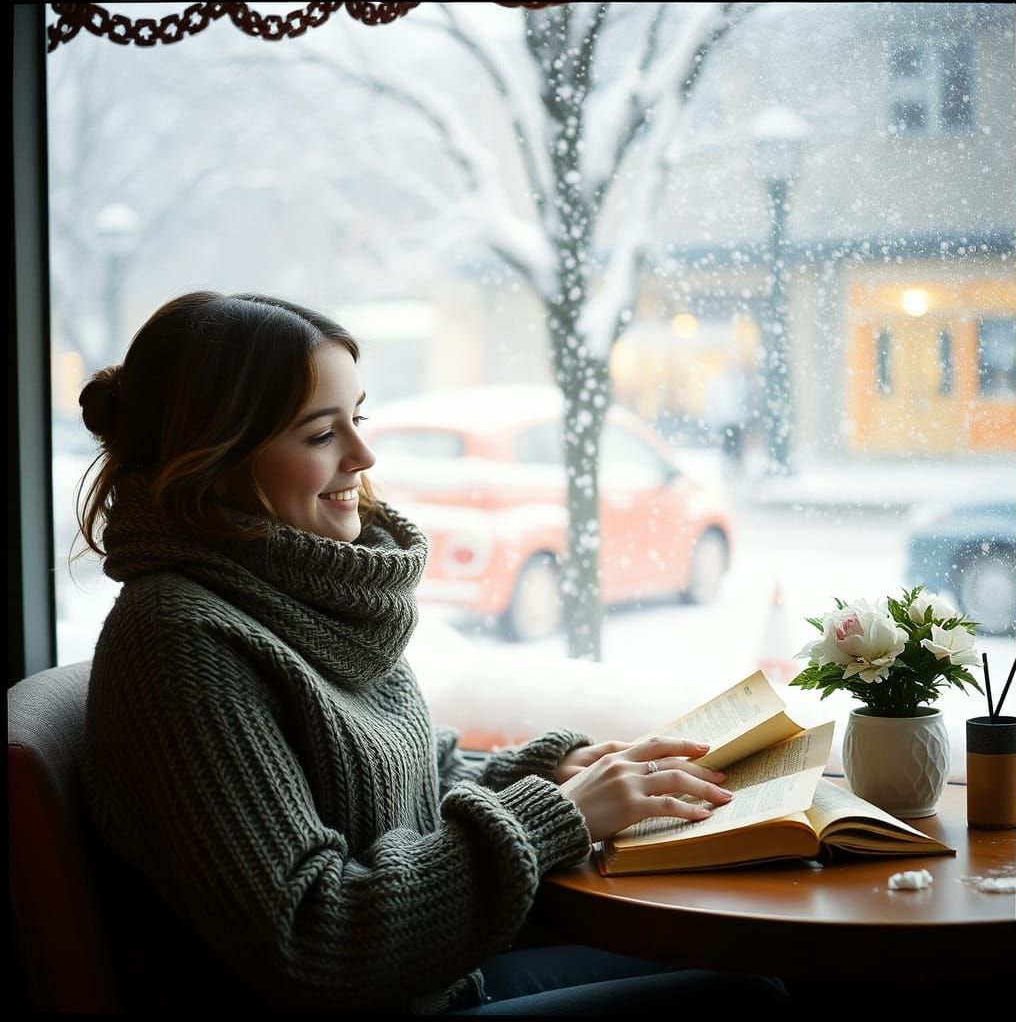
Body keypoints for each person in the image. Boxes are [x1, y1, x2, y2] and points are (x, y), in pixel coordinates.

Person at [77, 291, 785, 1014]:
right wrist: (556, 815)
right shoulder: (181, 641)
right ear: (215, 458)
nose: (364, 453)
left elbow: (408, 778)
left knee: (755, 958)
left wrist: (551, 771)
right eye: (322, 435)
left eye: (360, 417)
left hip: (436, 984)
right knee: (751, 993)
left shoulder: (301, 592)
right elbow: (311, 936)